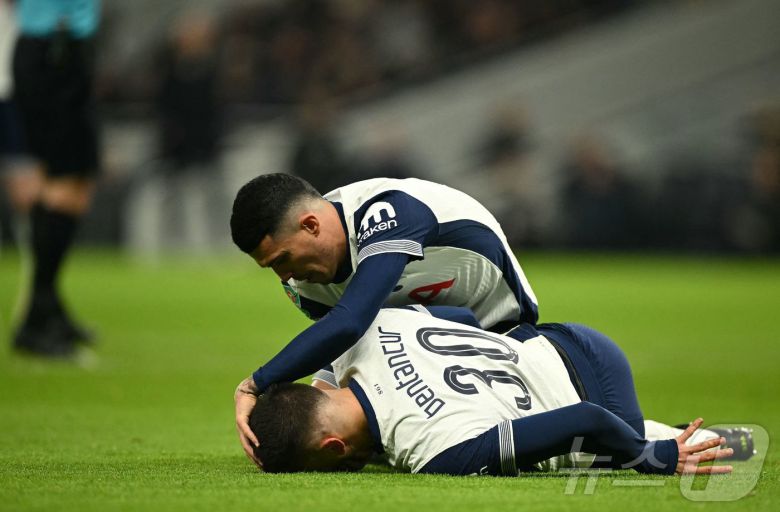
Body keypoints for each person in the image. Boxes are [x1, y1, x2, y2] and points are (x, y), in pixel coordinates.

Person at [230, 173, 539, 465]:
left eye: (283, 259)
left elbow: (351, 323)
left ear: (311, 225)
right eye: (271, 267)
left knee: (444, 446)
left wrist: (254, 384)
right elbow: (352, 347)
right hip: (433, 345)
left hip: (506, 336)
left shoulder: (387, 209)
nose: (284, 275)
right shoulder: (306, 287)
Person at [247, 306, 753, 475]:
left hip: (596, 396)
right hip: (566, 338)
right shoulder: (361, 331)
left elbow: (587, 421)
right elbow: (464, 319)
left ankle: (715, 444)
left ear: (333, 448)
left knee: (599, 454)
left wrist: (651, 456)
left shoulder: (436, 453)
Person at [10, 0, 101, 357]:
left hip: (65, 50)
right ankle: (37, 314)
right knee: (62, 182)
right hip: (52, 52)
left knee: (77, 183)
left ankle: (47, 306)